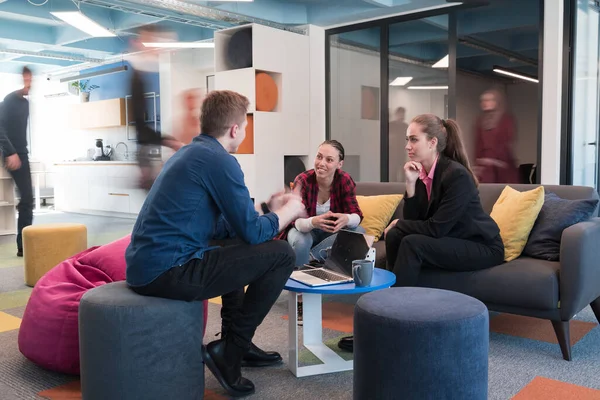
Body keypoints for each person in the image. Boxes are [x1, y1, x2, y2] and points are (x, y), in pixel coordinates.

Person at [125, 90, 306, 398]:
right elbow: (252, 233)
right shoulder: (220, 161)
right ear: (235, 129)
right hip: (170, 270)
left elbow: (227, 226)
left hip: (147, 266)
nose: (246, 132)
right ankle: (231, 351)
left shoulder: (191, 153)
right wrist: (288, 211)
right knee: (282, 254)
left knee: (230, 241)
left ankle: (239, 345)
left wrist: (267, 210)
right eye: (246, 126)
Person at [384, 114, 504, 287]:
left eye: (414, 140)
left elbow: (436, 228)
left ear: (432, 143)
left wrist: (398, 222)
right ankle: (389, 294)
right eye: (407, 140)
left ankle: (398, 304)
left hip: (481, 246)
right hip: (451, 237)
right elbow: (413, 221)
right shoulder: (421, 173)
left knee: (412, 243)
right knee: (395, 235)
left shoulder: (456, 175)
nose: (407, 146)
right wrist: (410, 183)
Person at [279, 140, 364, 267]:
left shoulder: (345, 180)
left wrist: (346, 219)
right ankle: (300, 278)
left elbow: (356, 215)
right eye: (319, 157)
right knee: (302, 241)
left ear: (339, 164)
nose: (321, 163)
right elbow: (295, 221)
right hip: (303, 230)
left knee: (359, 231)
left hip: (330, 233)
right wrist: (313, 222)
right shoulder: (303, 180)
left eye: (329, 160)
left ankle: (310, 258)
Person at [129, 26, 183, 191]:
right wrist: (169, 142)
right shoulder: (136, 77)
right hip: (145, 144)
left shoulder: (139, 75)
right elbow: (140, 127)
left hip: (145, 145)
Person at [0, 66, 34, 257]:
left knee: (27, 199)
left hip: (22, 153)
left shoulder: (25, 103)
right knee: (27, 199)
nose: (29, 83)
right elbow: (0, 129)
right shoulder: (8, 101)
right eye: (26, 79)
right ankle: (23, 243)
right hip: (12, 154)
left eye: (30, 80)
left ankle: (24, 244)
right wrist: (10, 152)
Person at [473, 88, 519, 183]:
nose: (485, 103)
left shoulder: (506, 120)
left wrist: (494, 161)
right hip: (485, 170)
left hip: (502, 169)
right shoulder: (480, 121)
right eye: (484, 101)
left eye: (489, 100)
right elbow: (477, 145)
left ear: (496, 102)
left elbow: (506, 143)